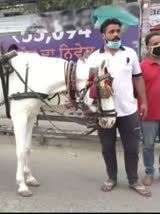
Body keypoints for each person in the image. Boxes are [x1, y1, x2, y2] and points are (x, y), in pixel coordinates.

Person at [87, 18, 151, 197]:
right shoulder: (94, 57)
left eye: (117, 31)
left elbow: (138, 78)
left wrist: (143, 102)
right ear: (103, 35)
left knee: (131, 147)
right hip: (104, 113)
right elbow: (89, 84)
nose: (116, 34)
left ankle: (133, 180)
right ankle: (111, 178)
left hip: (128, 110)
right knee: (107, 147)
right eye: (111, 31)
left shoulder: (130, 53)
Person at [138, 31, 160, 186]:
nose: (159, 46)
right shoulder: (141, 67)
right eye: (155, 44)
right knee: (148, 145)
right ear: (148, 48)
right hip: (148, 115)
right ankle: (149, 172)